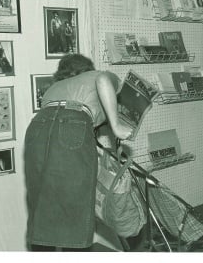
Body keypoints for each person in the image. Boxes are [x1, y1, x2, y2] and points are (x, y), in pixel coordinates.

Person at [24, 54, 132, 251]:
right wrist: (116, 125)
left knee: (42, 199)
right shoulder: (96, 75)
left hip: (36, 129)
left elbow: (58, 121)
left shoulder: (53, 89)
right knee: (76, 201)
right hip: (72, 124)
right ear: (88, 67)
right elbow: (103, 81)